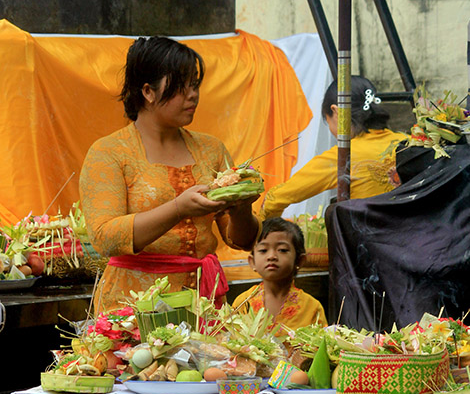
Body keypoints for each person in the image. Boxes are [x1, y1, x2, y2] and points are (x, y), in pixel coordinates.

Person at [79, 36, 260, 312]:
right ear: (148, 92)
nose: (193, 94)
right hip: (133, 307)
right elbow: (105, 237)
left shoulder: (211, 149)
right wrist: (177, 208)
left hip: (203, 303)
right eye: (181, 85)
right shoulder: (110, 152)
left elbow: (242, 241)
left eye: (195, 84)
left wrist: (241, 209)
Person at [260, 76, 407, 218]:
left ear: (336, 113)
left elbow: (276, 199)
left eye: (328, 121)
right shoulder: (409, 143)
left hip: (368, 241)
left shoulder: (343, 155)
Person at [231, 217, 327, 335]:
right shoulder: (243, 302)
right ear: (252, 262)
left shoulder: (311, 308)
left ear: (299, 261)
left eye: (282, 250)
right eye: (263, 250)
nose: (271, 256)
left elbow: (320, 347)